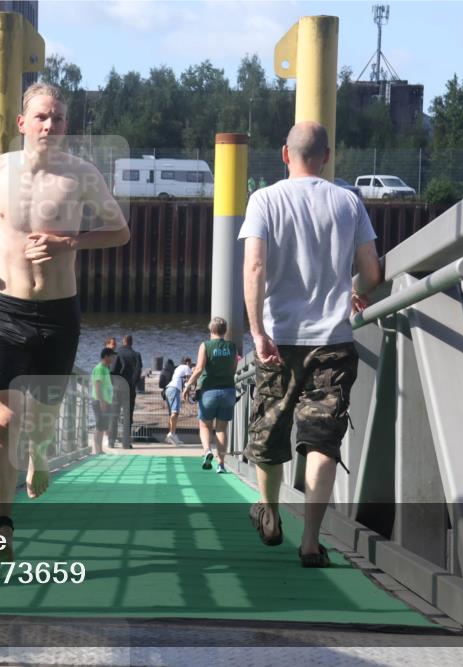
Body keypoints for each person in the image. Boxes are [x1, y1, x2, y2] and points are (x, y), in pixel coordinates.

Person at [0, 82, 130, 560]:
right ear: (22, 123)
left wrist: (69, 243)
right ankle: (3, 526)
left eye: (59, 119)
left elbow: (120, 232)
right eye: (42, 117)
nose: (50, 125)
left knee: (43, 418)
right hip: (8, 309)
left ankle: (40, 452)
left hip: (58, 313)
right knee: (4, 421)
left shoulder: (81, 175)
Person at [239, 121, 381, 567]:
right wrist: (357, 289)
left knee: (269, 429)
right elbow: (372, 273)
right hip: (333, 340)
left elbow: (255, 267)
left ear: (285, 154)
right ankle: (311, 542)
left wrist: (258, 330)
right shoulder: (348, 201)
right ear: (327, 156)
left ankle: (270, 512)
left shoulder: (264, 199)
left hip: (280, 339)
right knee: (322, 439)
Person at [183, 317, 237, 473]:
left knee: (205, 425)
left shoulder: (205, 346)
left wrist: (188, 386)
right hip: (228, 390)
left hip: (208, 391)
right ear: (225, 330)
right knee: (221, 429)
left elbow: (199, 369)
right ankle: (221, 464)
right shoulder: (232, 346)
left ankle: (207, 450)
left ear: (211, 330)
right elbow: (233, 369)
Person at [110, 334, 142, 449]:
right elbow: (138, 373)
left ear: (123, 342)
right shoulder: (136, 355)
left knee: (114, 414)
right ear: (131, 343)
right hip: (130, 388)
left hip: (117, 388)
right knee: (128, 415)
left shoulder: (116, 354)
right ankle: (125, 442)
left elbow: (112, 371)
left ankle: (111, 441)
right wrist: (133, 383)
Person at [91, 347, 117, 455]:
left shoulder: (106, 368)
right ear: (106, 356)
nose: (113, 358)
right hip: (99, 401)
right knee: (99, 425)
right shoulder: (100, 368)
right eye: (112, 356)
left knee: (102, 426)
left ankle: (100, 449)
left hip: (106, 401)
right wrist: (102, 401)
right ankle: (97, 450)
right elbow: (97, 385)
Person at [163, 356, 193, 444]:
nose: (190, 365)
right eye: (190, 363)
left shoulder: (178, 368)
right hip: (174, 389)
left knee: (172, 413)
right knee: (175, 412)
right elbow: (189, 382)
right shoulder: (186, 367)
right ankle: (171, 434)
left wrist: (186, 393)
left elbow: (184, 383)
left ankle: (172, 434)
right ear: (187, 362)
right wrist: (189, 395)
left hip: (168, 389)